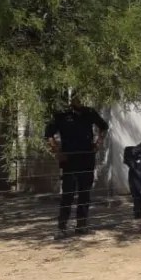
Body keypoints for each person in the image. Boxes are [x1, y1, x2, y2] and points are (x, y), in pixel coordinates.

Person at [44, 91, 109, 238]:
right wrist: (57, 152)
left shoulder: (89, 113)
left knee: (84, 194)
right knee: (68, 195)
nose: (79, 100)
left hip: (87, 158)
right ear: (71, 99)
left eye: (81, 97)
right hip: (69, 161)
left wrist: (98, 143)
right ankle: (62, 227)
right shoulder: (62, 115)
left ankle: (81, 225)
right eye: (76, 98)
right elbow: (48, 134)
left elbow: (103, 127)